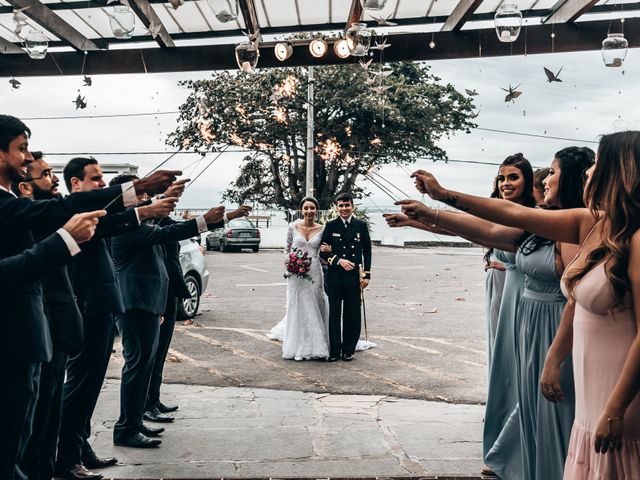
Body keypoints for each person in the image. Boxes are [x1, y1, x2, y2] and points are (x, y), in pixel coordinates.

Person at [399, 145, 596, 480]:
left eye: (554, 172)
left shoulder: (577, 226)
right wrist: (428, 214)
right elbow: (488, 230)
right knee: (532, 416)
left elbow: (576, 298)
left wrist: (443, 195)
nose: (545, 179)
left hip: (554, 330)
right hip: (527, 327)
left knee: (555, 421)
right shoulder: (543, 226)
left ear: (573, 180)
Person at [0, 114, 177, 480]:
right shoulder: (12, 205)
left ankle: (65, 457)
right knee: (19, 440)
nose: (28, 160)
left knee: (32, 430)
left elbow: (92, 222)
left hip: (37, 336)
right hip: (22, 336)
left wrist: (141, 206)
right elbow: (53, 224)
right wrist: (132, 192)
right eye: (21, 150)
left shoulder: (15, 203)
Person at [386, 153, 536, 479]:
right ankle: (503, 444)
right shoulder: (498, 212)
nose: (506, 184)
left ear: (529, 183)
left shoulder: (532, 215)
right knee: (502, 366)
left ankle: (512, 447)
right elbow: (471, 232)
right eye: (502, 178)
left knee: (517, 369)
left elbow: (490, 235)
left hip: (525, 295)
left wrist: (436, 201)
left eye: (513, 178)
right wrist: (417, 221)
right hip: (503, 290)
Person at [56, 157, 182, 480]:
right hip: (88, 310)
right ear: (75, 184)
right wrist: (142, 200)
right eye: (95, 178)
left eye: (102, 178)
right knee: (79, 386)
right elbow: (124, 222)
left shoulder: (98, 218)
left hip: (104, 311)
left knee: (91, 386)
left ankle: (79, 446)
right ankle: (66, 457)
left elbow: (123, 220)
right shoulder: (74, 214)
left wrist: (150, 207)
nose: (101, 183)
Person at [109, 173, 251, 448]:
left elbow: (163, 221)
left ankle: (135, 423)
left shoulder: (141, 220)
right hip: (135, 303)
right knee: (137, 366)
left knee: (145, 365)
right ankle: (126, 428)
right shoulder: (125, 226)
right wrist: (203, 220)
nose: (146, 198)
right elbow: (169, 231)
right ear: (125, 199)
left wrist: (168, 195)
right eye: (140, 193)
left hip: (149, 302)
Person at [267, 197, 330, 360]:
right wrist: (290, 263)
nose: (309, 211)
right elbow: (286, 249)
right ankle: (297, 344)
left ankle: (317, 342)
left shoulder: (323, 229)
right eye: (306, 208)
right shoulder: (292, 226)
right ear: (302, 210)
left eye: (312, 208)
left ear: (316, 210)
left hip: (315, 270)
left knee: (316, 302)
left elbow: (325, 252)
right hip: (295, 273)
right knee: (297, 304)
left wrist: (328, 250)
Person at [319, 193, 371, 362]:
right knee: (334, 315)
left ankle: (348, 349)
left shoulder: (360, 226)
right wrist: (339, 261)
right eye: (340, 206)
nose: (344, 209)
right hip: (334, 277)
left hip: (353, 278)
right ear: (336, 207)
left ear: (352, 206)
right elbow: (322, 253)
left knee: (352, 314)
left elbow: (367, 251)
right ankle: (334, 350)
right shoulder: (331, 225)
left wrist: (366, 275)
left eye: (347, 205)